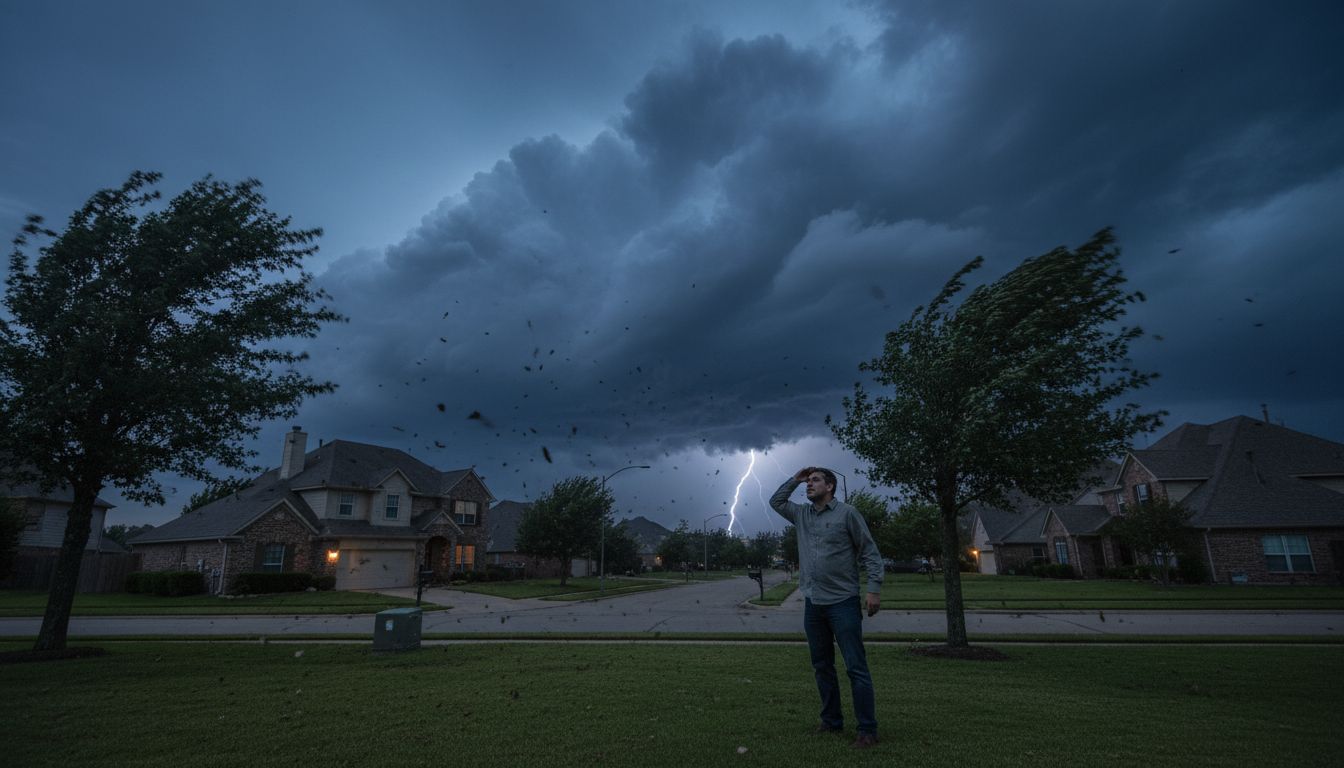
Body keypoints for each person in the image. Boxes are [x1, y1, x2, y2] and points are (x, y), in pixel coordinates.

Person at [770, 466, 884, 748]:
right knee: (822, 665)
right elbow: (776, 502)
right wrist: (794, 479)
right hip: (813, 603)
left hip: (843, 602)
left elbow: (870, 551)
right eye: (807, 481)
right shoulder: (801, 515)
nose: (809, 484)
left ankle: (867, 729)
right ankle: (832, 722)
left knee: (855, 667)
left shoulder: (847, 513)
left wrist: (873, 590)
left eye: (814, 480)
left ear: (830, 486)